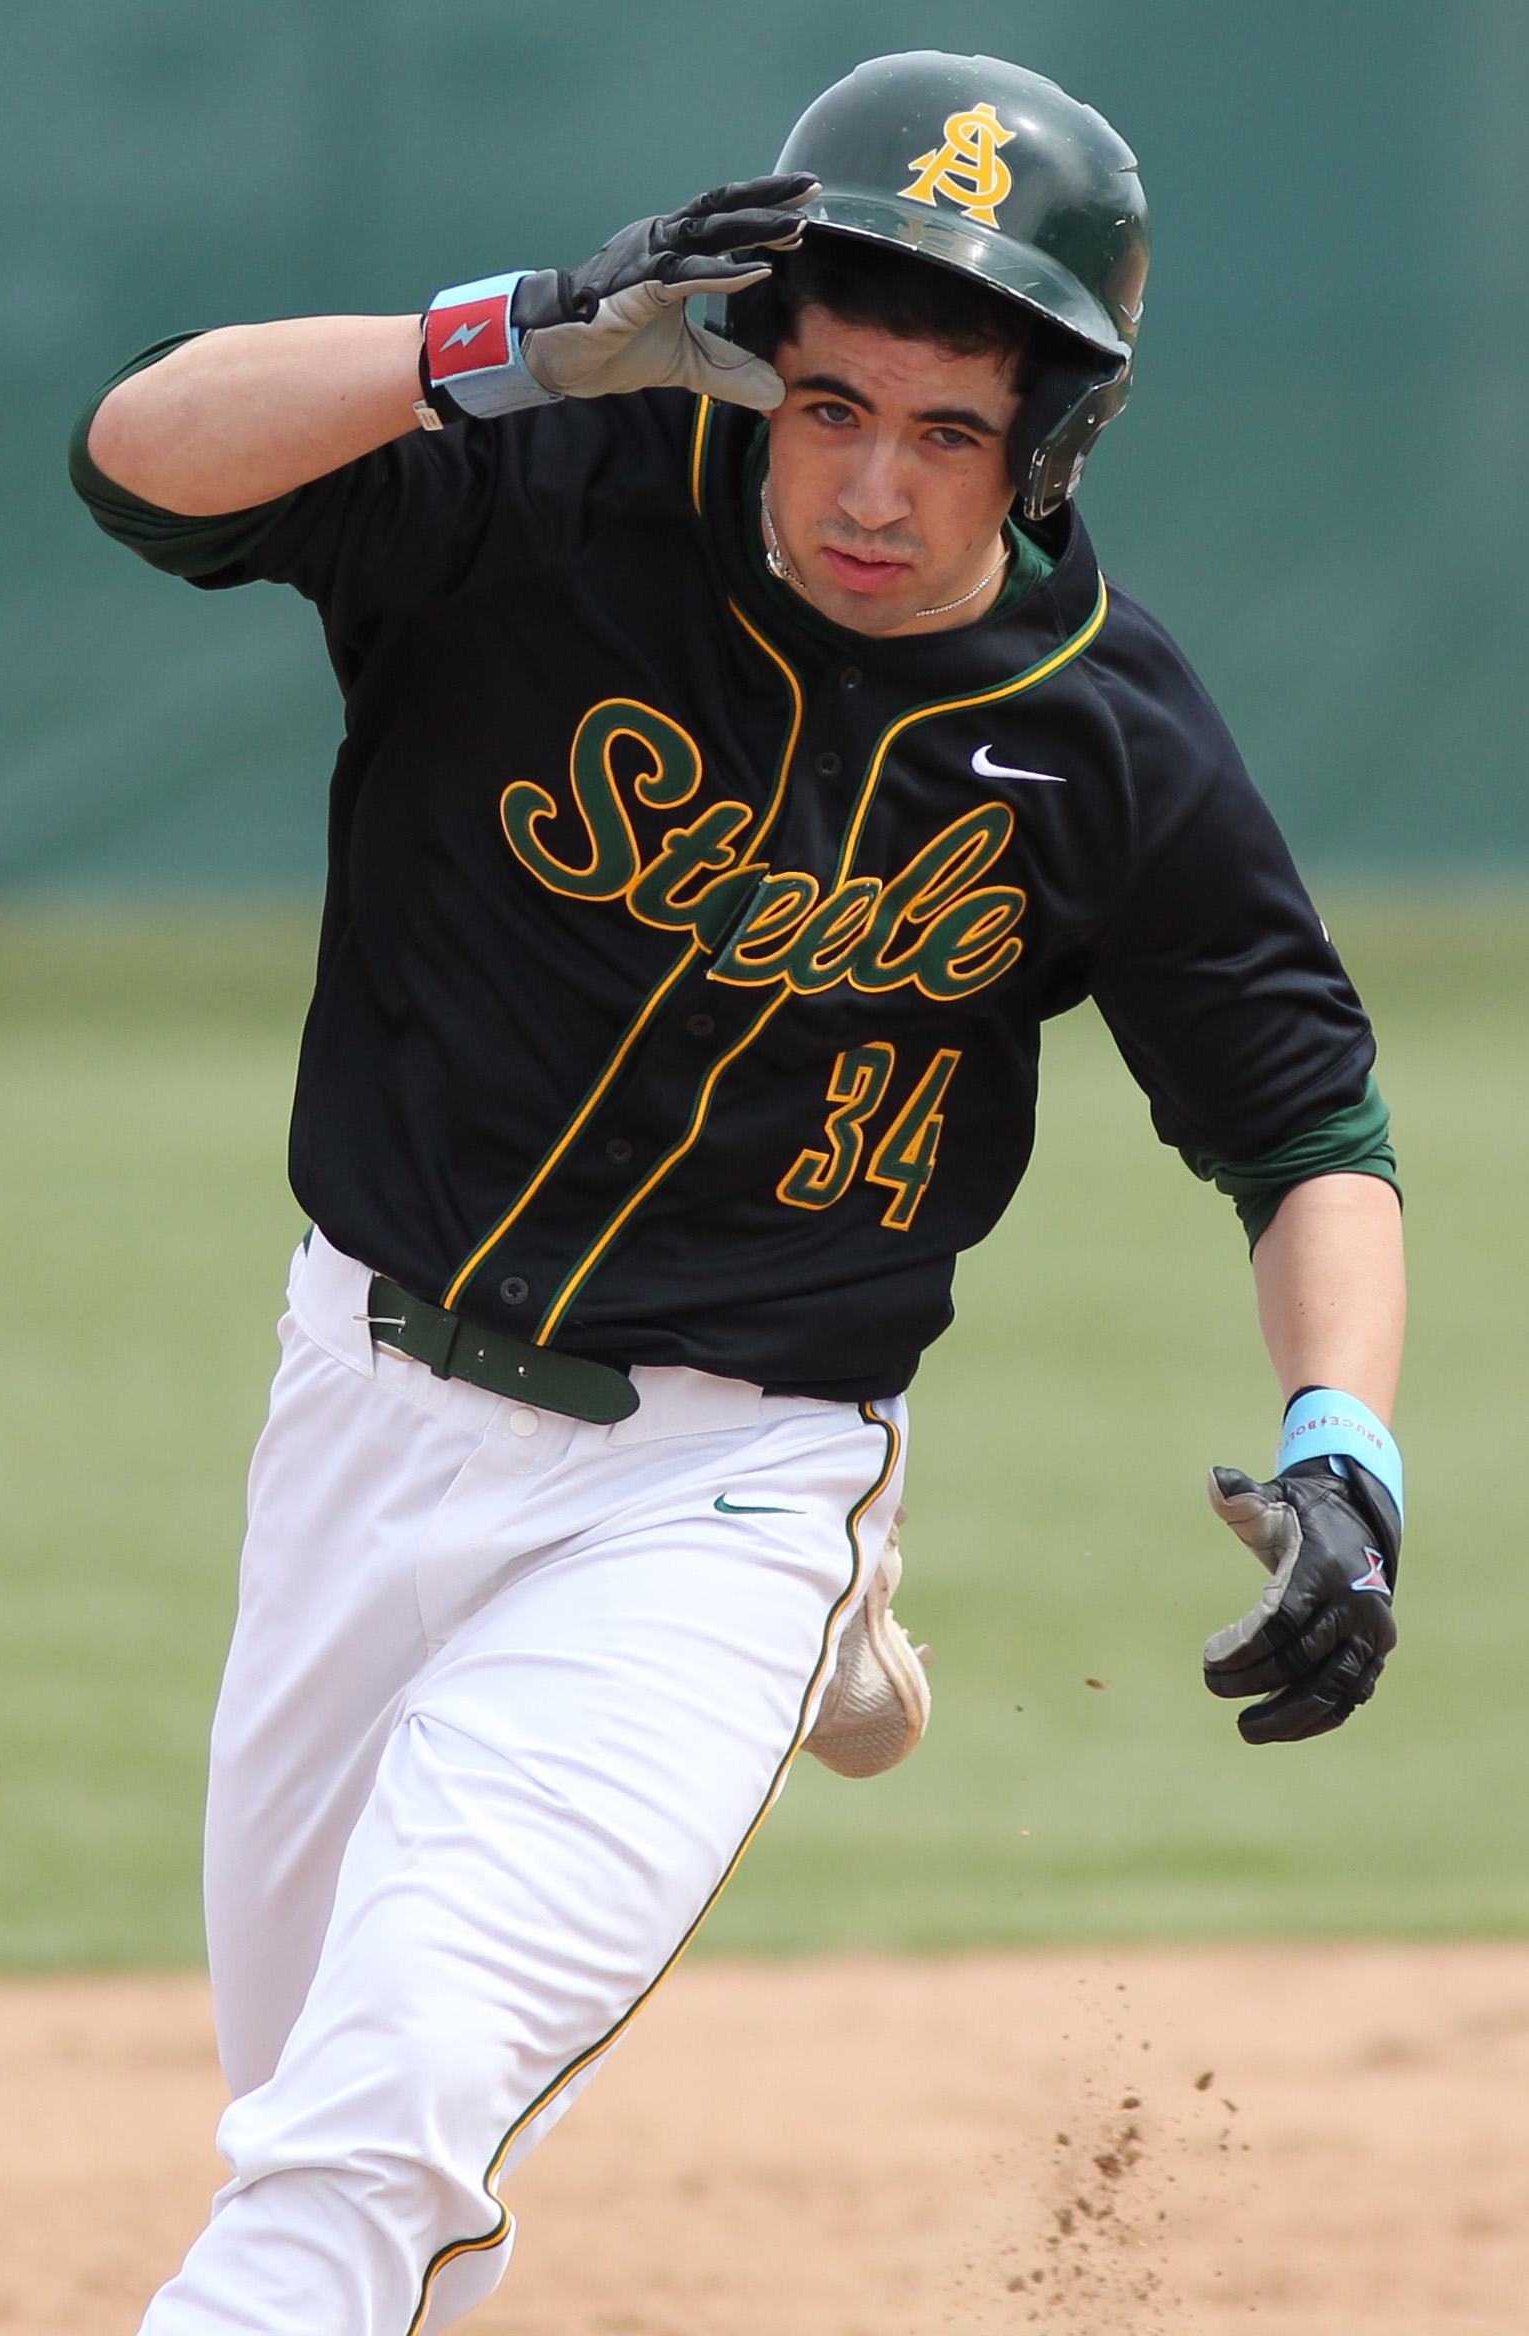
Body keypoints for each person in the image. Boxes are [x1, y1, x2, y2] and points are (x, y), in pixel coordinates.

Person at [71, 49, 1406, 2336]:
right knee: (325, 2098)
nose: (872, 483)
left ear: (1052, 438)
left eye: (949, 428)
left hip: (715, 1479)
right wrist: (480, 343)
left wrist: (1342, 1449)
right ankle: (834, 1637)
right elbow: (139, 462)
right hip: (359, 1406)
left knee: (376, 2123)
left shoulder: (1103, 738)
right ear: (754, 368)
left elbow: (1302, 1131)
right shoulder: (553, 492)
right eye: (827, 404)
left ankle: (805, 1599)